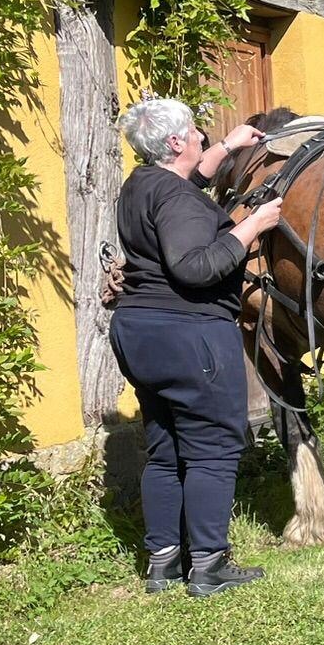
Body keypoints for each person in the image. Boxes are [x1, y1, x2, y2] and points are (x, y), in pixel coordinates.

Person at [111, 98, 285, 598]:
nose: (200, 137)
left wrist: (228, 146)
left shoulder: (142, 184)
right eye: (194, 132)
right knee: (212, 449)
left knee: (165, 450)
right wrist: (252, 226)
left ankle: (163, 563)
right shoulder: (180, 200)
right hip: (187, 334)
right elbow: (193, 265)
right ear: (174, 143)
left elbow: (185, 189)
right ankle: (208, 565)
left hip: (138, 331)